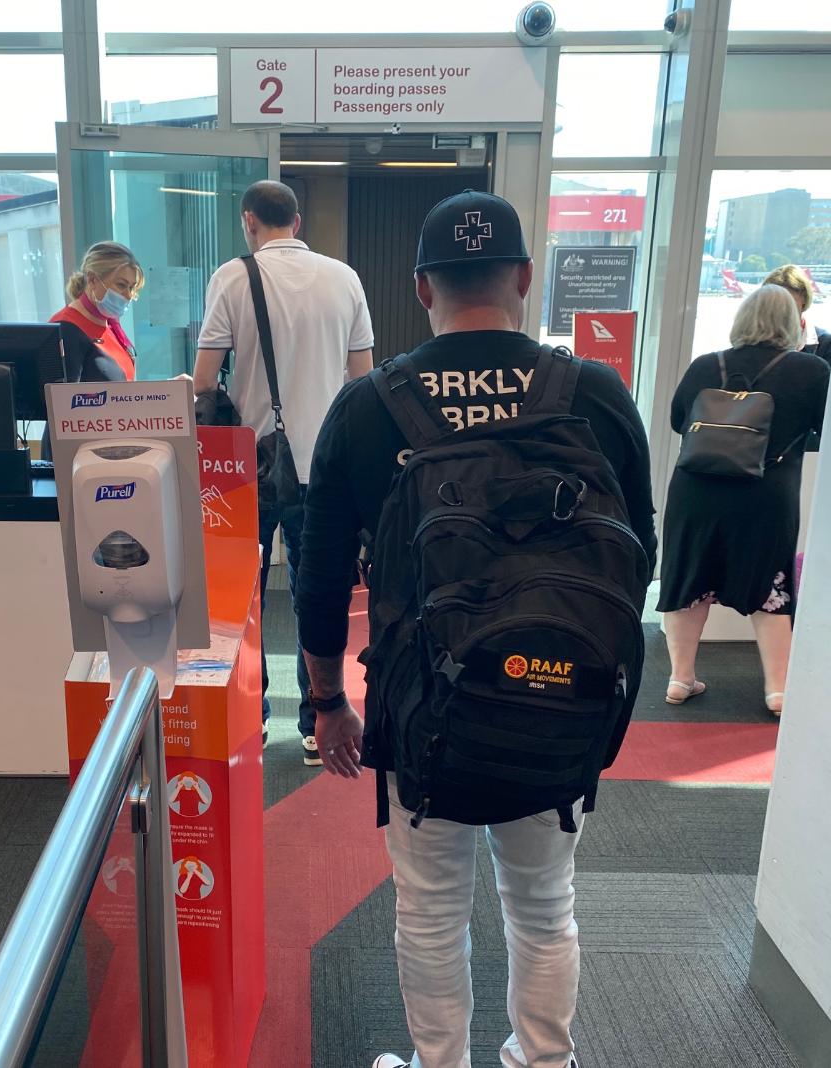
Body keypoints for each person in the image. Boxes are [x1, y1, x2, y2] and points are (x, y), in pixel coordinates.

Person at [294, 191, 656, 1068]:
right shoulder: (594, 393)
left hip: (425, 708)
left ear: (422, 288)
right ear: (526, 278)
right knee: (544, 904)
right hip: (562, 697)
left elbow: (320, 570)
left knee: (428, 908)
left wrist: (325, 701)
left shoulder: (370, 405)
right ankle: (543, 1062)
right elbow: (639, 549)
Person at [193, 180, 374, 762]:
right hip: (325, 463)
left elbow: (201, 383)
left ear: (251, 221)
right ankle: (314, 722)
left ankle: (252, 716)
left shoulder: (231, 277)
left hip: (252, 463)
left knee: (242, 594)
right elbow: (362, 378)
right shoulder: (344, 278)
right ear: (297, 221)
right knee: (315, 591)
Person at [657, 284, 828, 716]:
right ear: (793, 322)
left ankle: (680, 679)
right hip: (765, 494)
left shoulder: (705, 365)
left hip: (697, 489)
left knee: (688, 579)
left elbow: (679, 420)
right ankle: (778, 690)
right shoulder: (810, 371)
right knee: (770, 586)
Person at [41, 241, 145, 460]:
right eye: (121, 285)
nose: (127, 295)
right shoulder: (65, 328)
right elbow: (65, 411)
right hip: (81, 457)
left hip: (114, 447)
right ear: (92, 279)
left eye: (131, 288)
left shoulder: (110, 325)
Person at [762, 263, 831, 365]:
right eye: (774, 303)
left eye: (789, 302)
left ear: (804, 298)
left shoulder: (825, 343)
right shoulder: (753, 341)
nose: (782, 309)